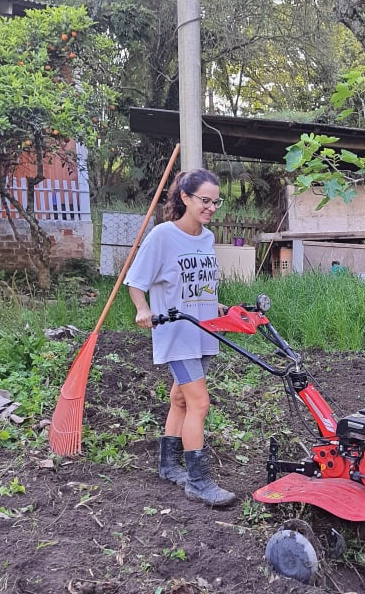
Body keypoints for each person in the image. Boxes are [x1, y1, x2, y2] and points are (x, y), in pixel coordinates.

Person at [124, 168, 236, 507]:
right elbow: (136, 282)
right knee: (200, 403)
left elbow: (195, 282)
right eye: (205, 200)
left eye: (216, 201)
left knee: (182, 401)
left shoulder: (207, 237)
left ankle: (168, 465)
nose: (211, 207)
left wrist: (213, 303)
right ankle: (198, 481)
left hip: (202, 329)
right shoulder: (162, 235)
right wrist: (142, 309)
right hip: (176, 334)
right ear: (185, 198)